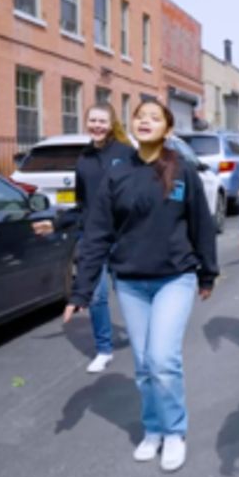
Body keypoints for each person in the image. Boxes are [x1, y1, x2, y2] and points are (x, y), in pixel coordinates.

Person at [64, 100, 218, 473]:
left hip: (174, 278)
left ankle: (175, 431)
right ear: (131, 126)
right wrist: (81, 290)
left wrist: (207, 272)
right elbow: (97, 234)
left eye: (154, 118)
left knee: (164, 359)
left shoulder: (181, 171)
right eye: (140, 117)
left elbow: (201, 223)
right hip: (131, 282)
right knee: (145, 364)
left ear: (166, 129)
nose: (145, 122)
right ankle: (153, 429)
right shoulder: (118, 174)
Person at [66, 104, 135, 374]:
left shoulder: (125, 153)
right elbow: (81, 201)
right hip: (93, 236)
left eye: (102, 121)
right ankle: (104, 349)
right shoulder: (83, 158)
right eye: (92, 120)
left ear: (111, 123)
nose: (96, 125)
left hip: (122, 234)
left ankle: (141, 334)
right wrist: (61, 222)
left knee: (127, 290)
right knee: (96, 296)